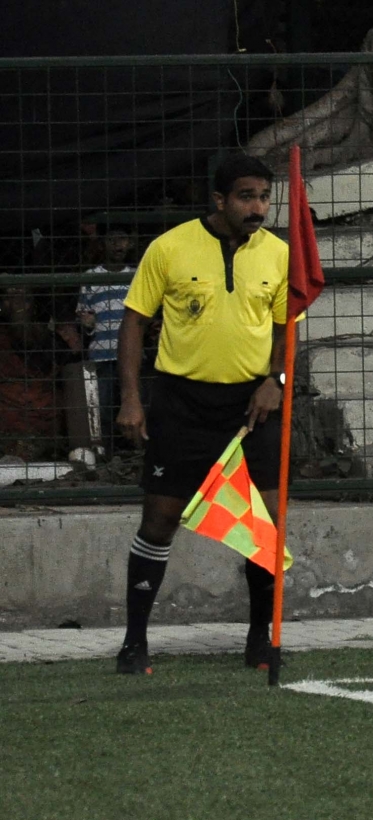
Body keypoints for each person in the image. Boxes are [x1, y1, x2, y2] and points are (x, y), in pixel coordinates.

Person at [114, 154, 290, 675]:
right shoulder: (169, 247)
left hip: (252, 407)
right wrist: (130, 398)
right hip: (182, 405)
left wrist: (274, 381)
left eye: (263, 196)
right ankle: (134, 643)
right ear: (219, 200)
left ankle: (260, 641)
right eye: (246, 197)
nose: (257, 207)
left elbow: (288, 330)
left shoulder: (279, 254)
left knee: (267, 524)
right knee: (160, 520)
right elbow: (133, 322)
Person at [76, 227, 137, 454]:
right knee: (103, 408)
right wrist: (87, 325)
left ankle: (131, 453)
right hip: (101, 353)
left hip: (130, 354)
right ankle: (108, 454)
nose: (118, 245)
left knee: (130, 403)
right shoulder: (91, 277)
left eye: (123, 238)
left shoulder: (136, 275)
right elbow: (84, 314)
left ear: (130, 243)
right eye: (112, 240)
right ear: (103, 244)